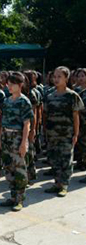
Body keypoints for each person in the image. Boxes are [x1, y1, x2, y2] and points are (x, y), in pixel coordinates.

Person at [44, 66, 84, 197]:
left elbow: (76, 116)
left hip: (66, 134)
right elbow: (45, 115)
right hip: (52, 134)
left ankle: (64, 185)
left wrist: (76, 134)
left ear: (66, 78)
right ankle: (57, 183)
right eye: (54, 76)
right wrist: (45, 131)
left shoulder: (72, 95)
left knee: (66, 160)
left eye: (59, 76)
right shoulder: (49, 96)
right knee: (54, 159)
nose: (56, 79)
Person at [0, 72, 33, 212]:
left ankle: (19, 199)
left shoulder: (24, 101)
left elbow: (27, 124)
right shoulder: (7, 101)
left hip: (17, 137)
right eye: (8, 84)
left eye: (12, 84)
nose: (9, 87)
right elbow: (3, 120)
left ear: (20, 85)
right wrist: (0, 137)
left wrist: (24, 142)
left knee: (19, 169)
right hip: (6, 136)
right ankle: (12, 196)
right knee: (8, 168)